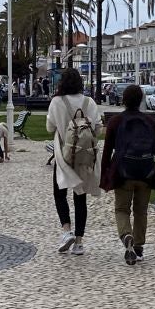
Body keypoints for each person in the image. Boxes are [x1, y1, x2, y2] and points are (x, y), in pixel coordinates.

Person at [102, 83, 155, 265]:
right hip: (145, 172)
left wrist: (105, 174)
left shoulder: (115, 121)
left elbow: (107, 151)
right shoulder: (148, 121)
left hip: (123, 173)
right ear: (141, 100)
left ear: (123, 100)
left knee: (122, 209)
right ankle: (138, 247)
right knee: (141, 210)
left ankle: (126, 235)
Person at [45, 68, 103, 255]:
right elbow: (98, 129)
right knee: (80, 197)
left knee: (59, 193)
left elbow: (49, 127)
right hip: (84, 155)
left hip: (64, 154)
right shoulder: (89, 102)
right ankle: (79, 242)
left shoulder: (56, 102)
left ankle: (66, 230)